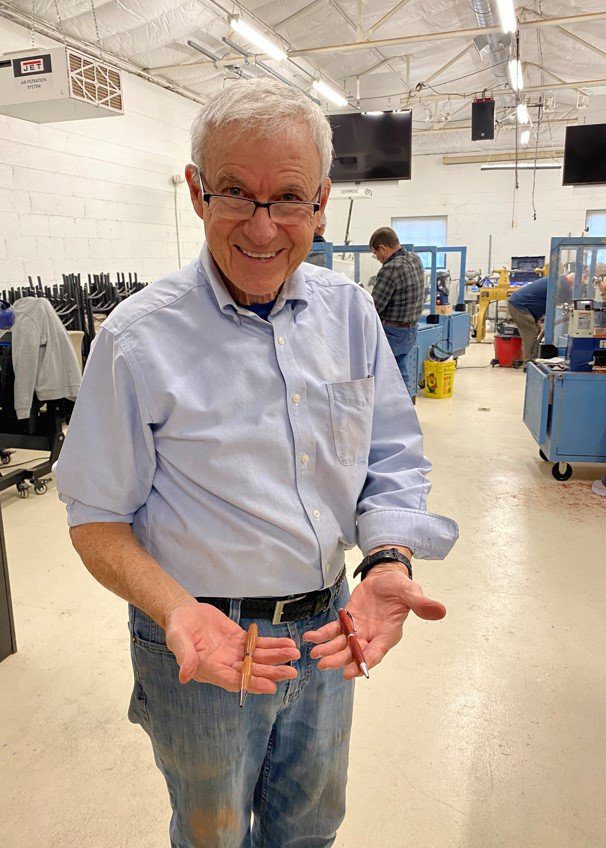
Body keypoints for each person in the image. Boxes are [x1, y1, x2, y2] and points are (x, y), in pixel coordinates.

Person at [55, 79, 458, 848]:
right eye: (236, 192)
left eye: (290, 199)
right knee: (211, 833)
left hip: (330, 628)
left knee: (311, 827)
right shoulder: (138, 340)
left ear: (322, 202)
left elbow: (391, 458)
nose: (263, 226)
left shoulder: (350, 314)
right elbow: (96, 519)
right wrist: (175, 610)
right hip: (201, 644)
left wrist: (387, 559)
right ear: (196, 192)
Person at [369, 227, 425, 395]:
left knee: (379, 375)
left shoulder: (391, 268)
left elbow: (374, 307)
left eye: (375, 254)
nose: (378, 259)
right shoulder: (415, 259)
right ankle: (404, 407)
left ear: (383, 248)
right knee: (400, 373)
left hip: (392, 333)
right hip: (410, 331)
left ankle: (385, 409)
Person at [507, 266, 579, 363]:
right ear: (573, 281)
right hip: (520, 306)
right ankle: (529, 362)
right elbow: (570, 302)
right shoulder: (562, 284)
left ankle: (532, 357)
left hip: (522, 305)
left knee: (535, 331)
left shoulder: (557, 280)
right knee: (531, 333)